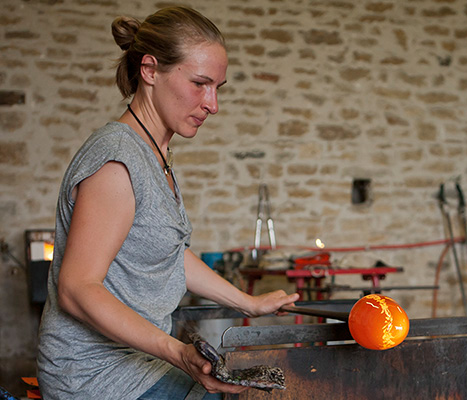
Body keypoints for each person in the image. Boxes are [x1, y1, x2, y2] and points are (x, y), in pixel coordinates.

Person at [36, 6, 299, 400]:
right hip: (94, 376)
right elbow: (77, 289)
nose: (213, 104)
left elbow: (169, 252)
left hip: (136, 361)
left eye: (218, 87)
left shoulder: (154, 154)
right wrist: (177, 352)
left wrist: (248, 302)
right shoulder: (116, 161)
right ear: (150, 70)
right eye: (199, 83)